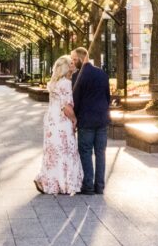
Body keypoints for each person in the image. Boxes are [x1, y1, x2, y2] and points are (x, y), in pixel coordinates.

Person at [33, 56, 83, 195]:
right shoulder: (66, 83)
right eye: (71, 64)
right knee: (65, 149)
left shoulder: (54, 83)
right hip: (62, 121)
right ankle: (65, 183)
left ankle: (47, 180)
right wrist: (74, 119)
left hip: (51, 119)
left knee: (52, 151)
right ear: (66, 67)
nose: (73, 66)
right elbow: (66, 106)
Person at [71, 46, 110, 195]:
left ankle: (88, 185)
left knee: (85, 152)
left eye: (75, 59)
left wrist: (75, 118)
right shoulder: (102, 74)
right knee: (101, 153)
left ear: (82, 58)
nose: (73, 62)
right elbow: (107, 97)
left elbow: (76, 101)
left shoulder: (77, 77)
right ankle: (99, 186)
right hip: (101, 119)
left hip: (86, 120)